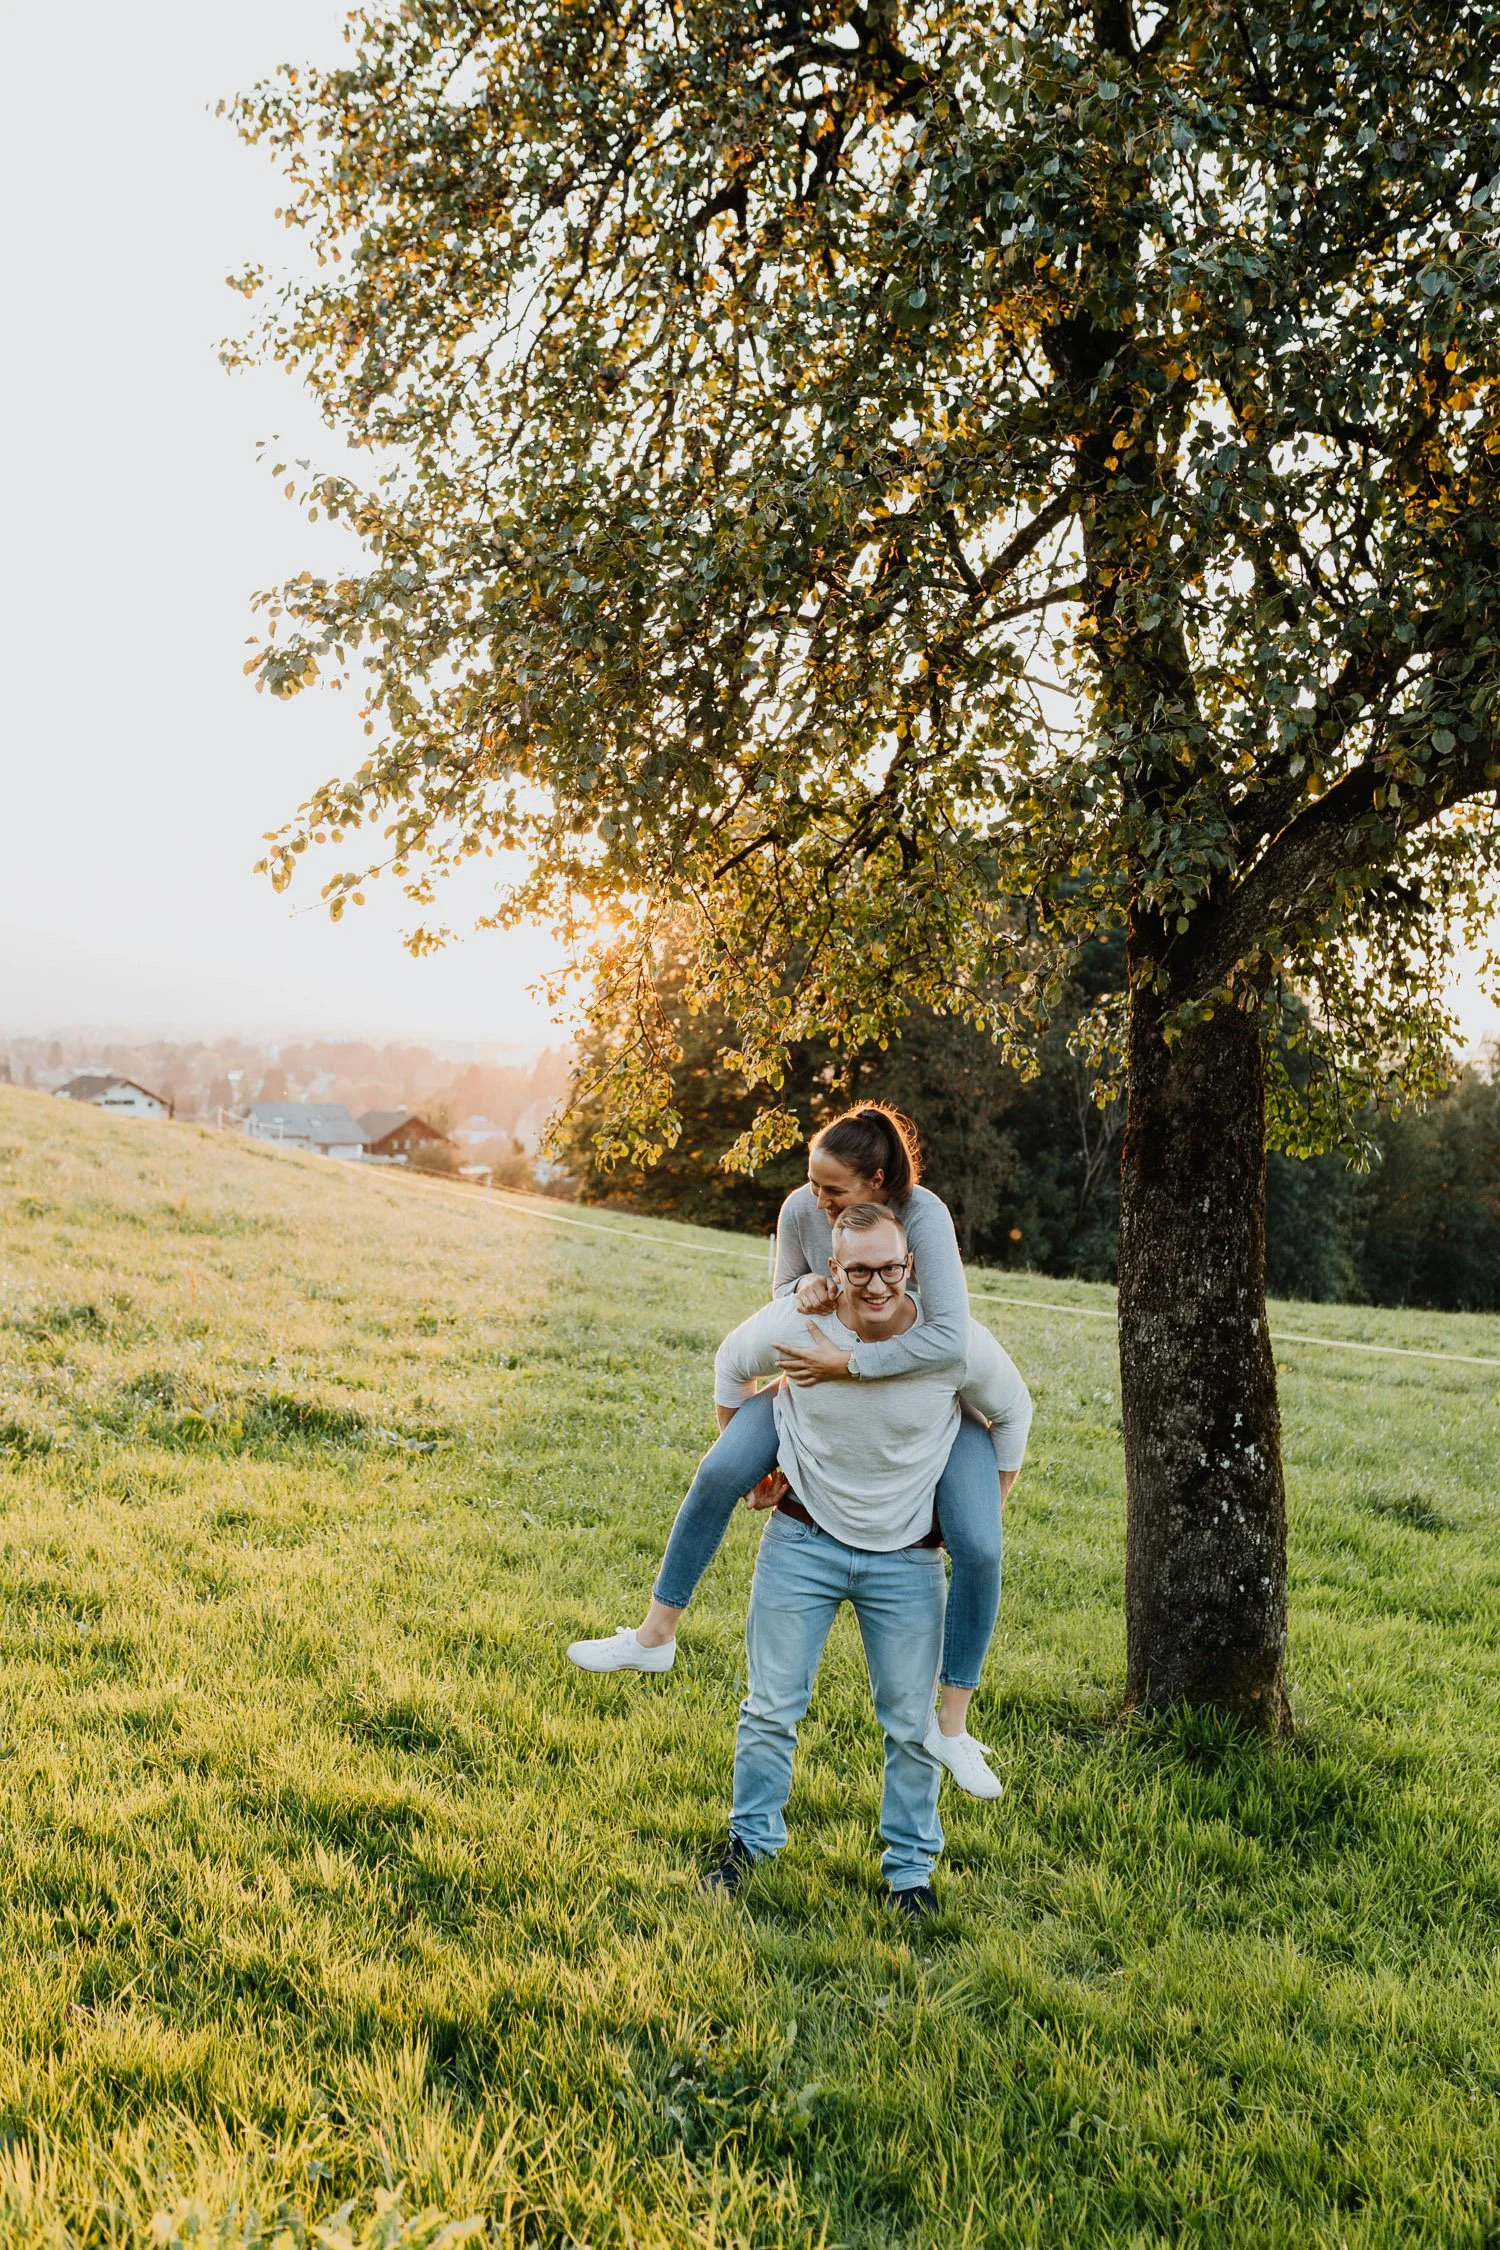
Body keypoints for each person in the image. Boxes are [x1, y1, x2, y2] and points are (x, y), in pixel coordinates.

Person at [567, 1105, 1012, 1797]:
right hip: (813, 1386)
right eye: (812, 1184)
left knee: (981, 1546)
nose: (816, 1199)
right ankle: (655, 1635)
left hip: (921, 1400)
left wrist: (851, 1367)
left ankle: (951, 1727)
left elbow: (947, 1339)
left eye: (833, 1190)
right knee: (718, 1473)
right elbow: (783, 1297)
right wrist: (799, 1298)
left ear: (877, 1181)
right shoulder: (804, 1209)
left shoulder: (922, 1216)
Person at [699, 1203, 1031, 1915]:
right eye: (859, 1270)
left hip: (908, 1561)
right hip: (802, 1539)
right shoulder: (798, 1326)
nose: (876, 1285)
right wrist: (752, 1462)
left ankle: (909, 1876)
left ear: (912, 1266)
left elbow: (1014, 1412)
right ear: (832, 1269)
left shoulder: (952, 1344)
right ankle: (749, 1848)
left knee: (913, 1727)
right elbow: (731, 1366)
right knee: (769, 1709)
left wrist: (983, 1509)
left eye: (889, 1268)